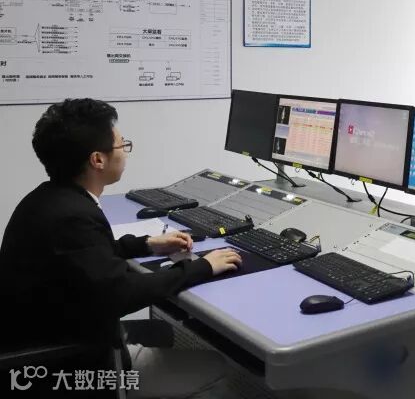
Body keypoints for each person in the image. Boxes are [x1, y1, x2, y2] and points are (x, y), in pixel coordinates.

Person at [0, 99, 242, 398]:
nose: (125, 152)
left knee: (163, 332)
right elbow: (122, 293)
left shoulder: (48, 199)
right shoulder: (72, 217)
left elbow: (84, 258)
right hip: (73, 367)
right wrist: (201, 267)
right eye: (121, 145)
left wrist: (146, 245)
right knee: (216, 367)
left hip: (46, 336)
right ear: (97, 160)